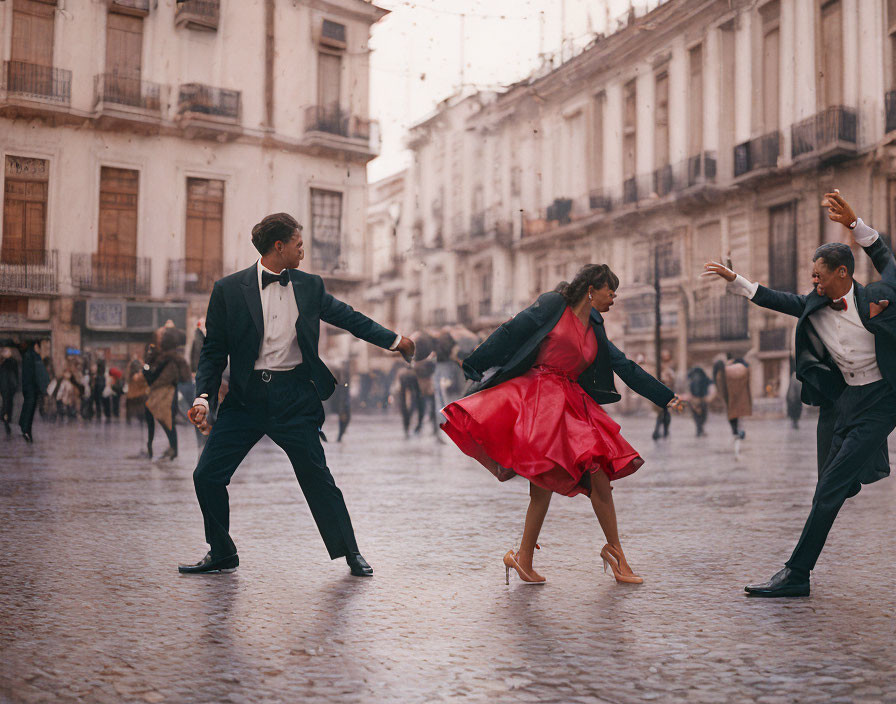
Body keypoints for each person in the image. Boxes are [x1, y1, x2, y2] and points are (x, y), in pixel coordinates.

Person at [181, 212, 415, 576]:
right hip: (245, 400)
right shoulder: (228, 290)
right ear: (279, 246)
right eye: (298, 244)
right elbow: (213, 352)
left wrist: (395, 341)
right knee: (206, 475)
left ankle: (350, 552)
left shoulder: (310, 286)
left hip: (293, 398)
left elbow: (350, 317)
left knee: (317, 476)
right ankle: (222, 551)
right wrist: (202, 398)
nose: (302, 250)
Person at [702, 189, 896, 597]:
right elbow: (775, 298)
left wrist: (854, 225)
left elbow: (886, 260)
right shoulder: (813, 305)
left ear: (842, 273)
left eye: (818, 274)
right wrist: (737, 281)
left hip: (882, 400)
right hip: (842, 403)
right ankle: (854, 473)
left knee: (829, 489)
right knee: (829, 484)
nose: (813, 281)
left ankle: (796, 574)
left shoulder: (878, 296)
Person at [441, 264, 682, 585]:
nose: (614, 297)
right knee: (542, 487)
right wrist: (475, 364)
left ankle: (609, 553)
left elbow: (623, 364)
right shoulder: (555, 305)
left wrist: (664, 397)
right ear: (591, 289)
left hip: (572, 403)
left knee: (597, 476)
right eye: (611, 289)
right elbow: (512, 330)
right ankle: (525, 557)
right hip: (537, 399)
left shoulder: (595, 325)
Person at [144, 337, 190, 460]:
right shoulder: (167, 359)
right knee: (167, 421)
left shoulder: (168, 360)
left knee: (167, 421)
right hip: (167, 392)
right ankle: (170, 448)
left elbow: (163, 377)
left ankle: (171, 449)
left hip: (166, 393)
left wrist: (153, 384)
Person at [19, 339, 48, 443]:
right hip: (33, 388)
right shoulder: (34, 357)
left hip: (28, 387)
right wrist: (44, 388)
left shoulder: (28, 356)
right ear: (36, 346)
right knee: (30, 409)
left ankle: (26, 429)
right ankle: (26, 430)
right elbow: (40, 374)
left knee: (28, 408)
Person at [652, 349, 676, 440]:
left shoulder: (670, 366)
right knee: (662, 413)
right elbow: (659, 379)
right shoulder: (660, 367)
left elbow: (672, 380)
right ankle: (658, 432)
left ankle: (663, 431)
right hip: (661, 393)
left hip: (668, 393)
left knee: (665, 413)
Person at [686, 365, 713, 437]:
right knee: (703, 416)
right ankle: (700, 429)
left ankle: (699, 429)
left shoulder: (691, 378)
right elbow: (711, 383)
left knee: (696, 416)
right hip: (702, 399)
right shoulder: (704, 378)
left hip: (694, 399)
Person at [0, 346, 19, 436]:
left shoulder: (7, 362)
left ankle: (6, 417)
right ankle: (6, 417)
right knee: (7, 403)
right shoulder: (8, 362)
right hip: (8, 387)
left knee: (6, 403)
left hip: (7, 387)